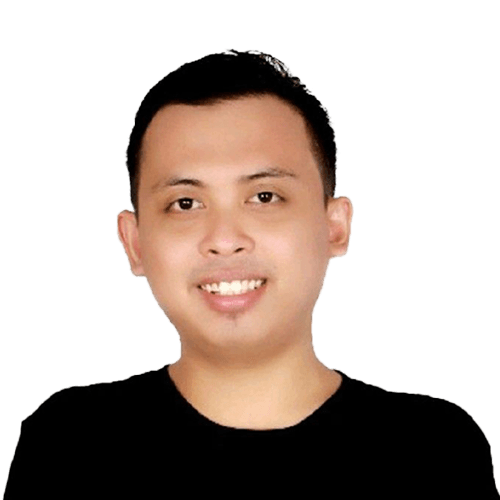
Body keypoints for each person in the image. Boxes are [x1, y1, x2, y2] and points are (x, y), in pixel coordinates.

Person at [4, 49, 499, 498]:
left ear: (335, 227)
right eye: (185, 203)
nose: (224, 238)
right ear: (134, 243)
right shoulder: (67, 444)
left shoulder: (435, 451)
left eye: (264, 197)